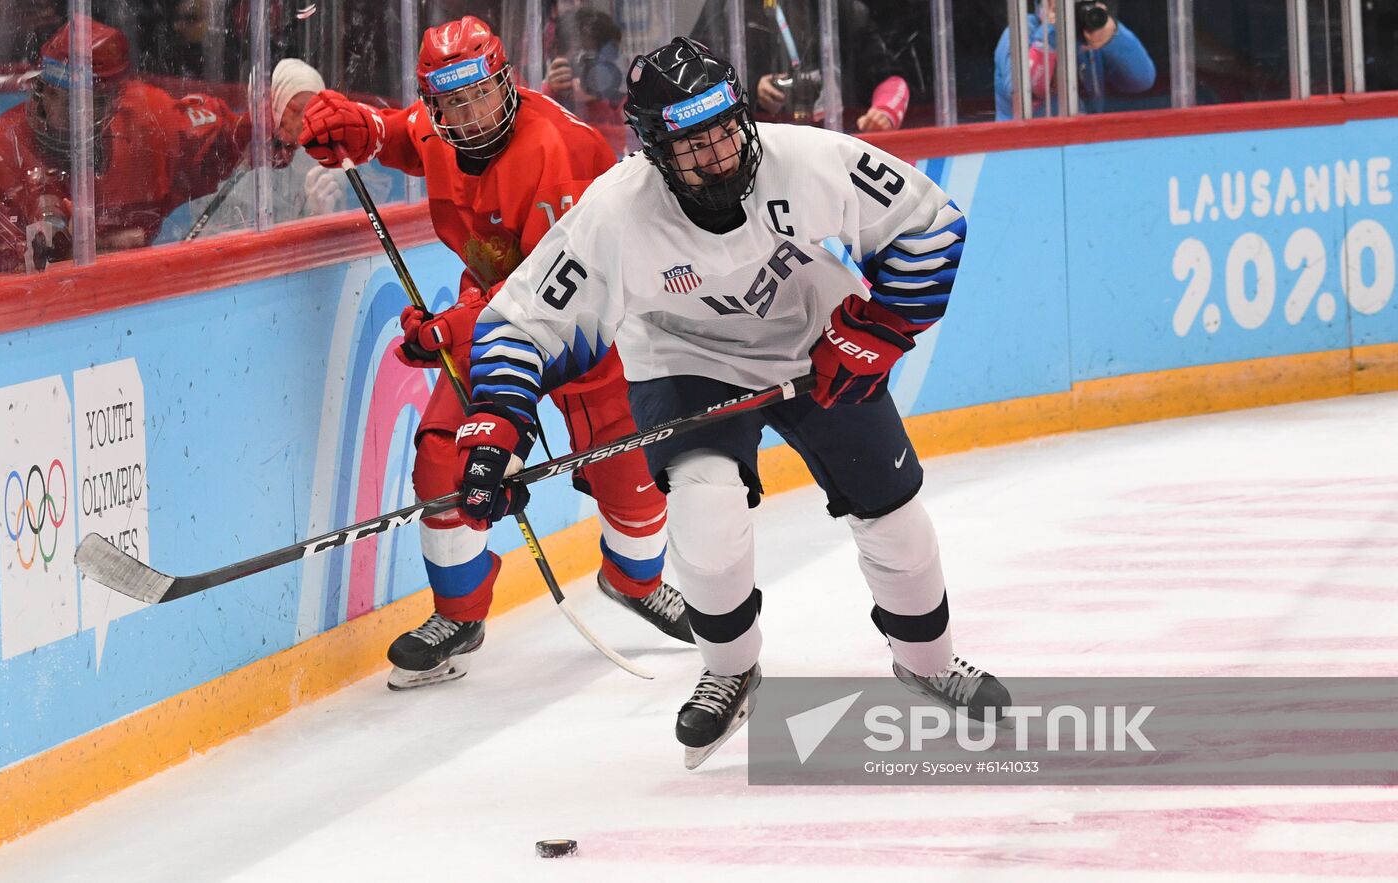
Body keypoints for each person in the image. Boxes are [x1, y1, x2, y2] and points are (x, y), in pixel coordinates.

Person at [455, 38, 1010, 768]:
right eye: (693, 143)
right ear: (655, 152)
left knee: (895, 512)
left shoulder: (803, 159)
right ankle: (730, 668)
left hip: (817, 344)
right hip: (686, 362)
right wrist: (496, 431)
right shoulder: (617, 213)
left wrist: (877, 331)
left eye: (725, 129)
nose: (718, 153)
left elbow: (929, 224)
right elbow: (521, 323)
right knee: (705, 509)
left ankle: (928, 659)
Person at [297, 15, 692, 690]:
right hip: (495, 323)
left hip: (593, 322)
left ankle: (636, 579)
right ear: (437, 104)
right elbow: (396, 134)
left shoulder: (555, 148)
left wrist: (453, 327)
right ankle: (459, 614)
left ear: (504, 81)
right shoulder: (439, 129)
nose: (470, 112)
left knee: (631, 475)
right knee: (444, 456)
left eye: (479, 92)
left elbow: (551, 287)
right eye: (451, 101)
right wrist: (354, 126)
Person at [0, 15, 249, 272]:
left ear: (111, 101)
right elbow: (17, 284)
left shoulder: (150, 122)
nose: (54, 108)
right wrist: (75, 255)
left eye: (79, 102)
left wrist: (273, 117)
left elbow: (237, 136)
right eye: (49, 90)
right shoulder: (5, 151)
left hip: (133, 299)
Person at [177, 59, 348, 238]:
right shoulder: (237, 158)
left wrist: (317, 217)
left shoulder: (325, 163)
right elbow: (207, 239)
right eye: (295, 111)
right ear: (272, 108)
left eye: (312, 113)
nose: (301, 123)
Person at [690, 0, 909, 133]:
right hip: (760, 145)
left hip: (834, 139)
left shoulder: (837, 8)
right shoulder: (729, 6)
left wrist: (884, 112)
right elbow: (696, 74)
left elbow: (889, 76)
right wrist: (749, 87)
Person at [994, 0, 1155, 120]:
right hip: (1023, 150)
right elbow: (1025, 95)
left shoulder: (1089, 31)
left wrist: (1113, 34)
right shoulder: (1019, 30)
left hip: (1085, 142)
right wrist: (1053, 31)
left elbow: (1142, 79)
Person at [542, 7, 627, 154]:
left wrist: (600, 99)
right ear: (558, 55)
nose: (592, 70)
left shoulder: (620, 103)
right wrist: (551, 93)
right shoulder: (542, 100)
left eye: (600, 60)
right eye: (583, 60)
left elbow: (618, 148)